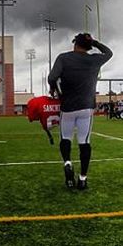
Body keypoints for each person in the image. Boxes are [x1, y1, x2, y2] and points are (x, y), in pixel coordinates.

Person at [48, 33, 112, 190]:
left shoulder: (63, 57)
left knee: (66, 138)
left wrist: (54, 89)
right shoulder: (94, 60)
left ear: (75, 43)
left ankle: (68, 163)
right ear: (88, 46)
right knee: (84, 141)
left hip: (68, 107)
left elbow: (52, 77)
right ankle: (82, 179)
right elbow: (109, 53)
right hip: (86, 107)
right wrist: (95, 42)